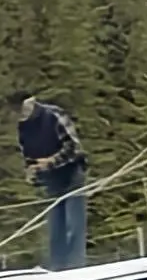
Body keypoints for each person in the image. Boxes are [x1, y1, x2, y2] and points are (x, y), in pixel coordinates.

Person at [11, 91, 90, 269]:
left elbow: (74, 147)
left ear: (31, 102)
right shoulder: (23, 127)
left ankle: (76, 266)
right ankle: (57, 267)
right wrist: (32, 171)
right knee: (55, 227)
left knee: (73, 224)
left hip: (71, 173)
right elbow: (28, 155)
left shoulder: (53, 115)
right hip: (51, 179)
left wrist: (50, 162)